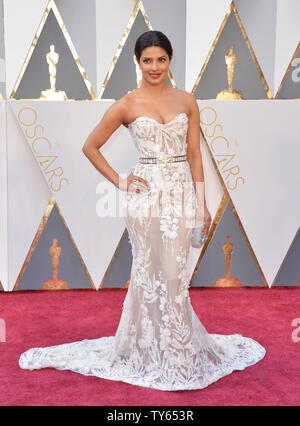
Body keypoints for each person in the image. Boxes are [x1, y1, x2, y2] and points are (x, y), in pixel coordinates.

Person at [19, 31, 266, 391]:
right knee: (149, 273)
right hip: (145, 197)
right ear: (138, 62)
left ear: (170, 61)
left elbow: (195, 155)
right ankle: (151, 352)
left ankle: (178, 353)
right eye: (147, 60)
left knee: (174, 273)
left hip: (181, 190)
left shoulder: (186, 100)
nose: (154, 67)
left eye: (161, 59)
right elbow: (91, 146)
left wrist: (201, 202)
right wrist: (121, 180)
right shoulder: (127, 103)